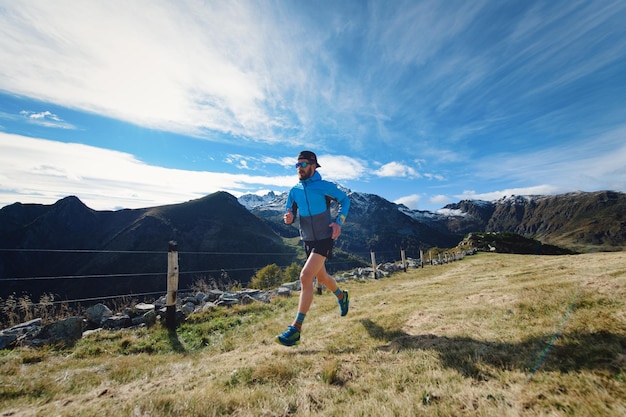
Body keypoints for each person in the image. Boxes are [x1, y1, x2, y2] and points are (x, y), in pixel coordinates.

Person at [276, 150, 351, 347]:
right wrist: (289, 218)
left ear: (313, 165)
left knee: (305, 276)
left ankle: (296, 328)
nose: (298, 169)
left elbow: (345, 200)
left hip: (325, 236)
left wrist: (338, 222)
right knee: (322, 278)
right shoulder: (294, 190)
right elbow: (289, 210)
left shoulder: (324, 187)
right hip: (308, 239)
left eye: (302, 165)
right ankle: (342, 296)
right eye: (296, 165)